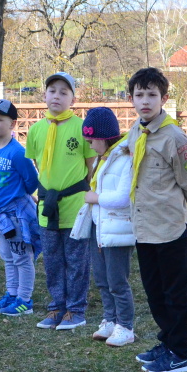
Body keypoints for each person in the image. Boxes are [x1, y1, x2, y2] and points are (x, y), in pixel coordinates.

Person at [126, 68, 187, 372]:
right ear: (131, 99)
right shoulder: (135, 131)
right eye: (139, 95)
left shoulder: (174, 137)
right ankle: (166, 342)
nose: (145, 101)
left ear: (164, 98)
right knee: (154, 293)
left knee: (175, 294)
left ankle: (180, 353)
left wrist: (168, 205)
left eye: (152, 95)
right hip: (144, 229)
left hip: (170, 229)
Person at [24, 72, 97, 330]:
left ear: (73, 99)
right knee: (52, 260)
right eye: (52, 91)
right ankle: (56, 307)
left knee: (76, 260)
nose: (57, 96)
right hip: (48, 206)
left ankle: (75, 310)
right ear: (44, 95)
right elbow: (38, 163)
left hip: (74, 206)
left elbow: (90, 166)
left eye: (64, 92)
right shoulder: (36, 130)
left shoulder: (82, 128)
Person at [74, 107, 137, 347]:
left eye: (91, 140)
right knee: (101, 278)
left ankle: (125, 326)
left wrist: (95, 198)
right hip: (99, 228)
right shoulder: (103, 159)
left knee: (117, 281)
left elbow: (123, 198)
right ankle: (110, 320)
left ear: (103, 137)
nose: (89, 146)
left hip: (117, 231)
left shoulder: (124, 159)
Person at [0, 99, 42, 316]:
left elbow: (31, 181)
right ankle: (12, 294)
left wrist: (18, 196)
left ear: (12, 124)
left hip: (15, 215)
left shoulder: (17, 152)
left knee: (22, 257)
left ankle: (24, 300)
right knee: (7, 255)